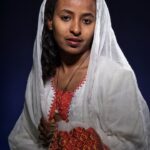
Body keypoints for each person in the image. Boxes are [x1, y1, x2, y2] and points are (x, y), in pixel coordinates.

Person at [8, 0, 150, 149]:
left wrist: (63, 137)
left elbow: (134, 144)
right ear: (49, 21)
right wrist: (44, 138)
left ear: (97, 24)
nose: (76, 29)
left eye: (87, 21)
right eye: (66, 18)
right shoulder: (40, 75)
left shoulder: (115, 77)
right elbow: (24, 137)